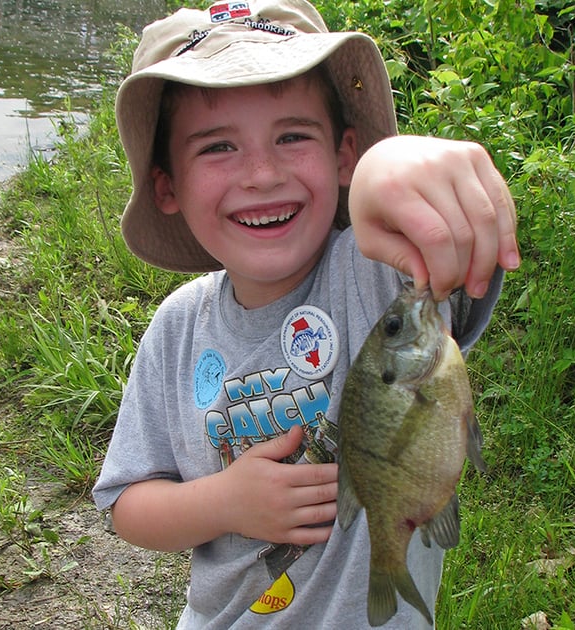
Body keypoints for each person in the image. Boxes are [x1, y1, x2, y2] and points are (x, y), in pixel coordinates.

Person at [92, 1, 519, 627]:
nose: (263, 173)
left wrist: (389, 169)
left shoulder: (379, 274)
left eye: (293, 136)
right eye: (218, 147)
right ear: (168, 187)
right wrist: (225, 504)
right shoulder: (175, 331)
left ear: (343, 156)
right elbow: (128, 503)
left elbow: (441, 235)